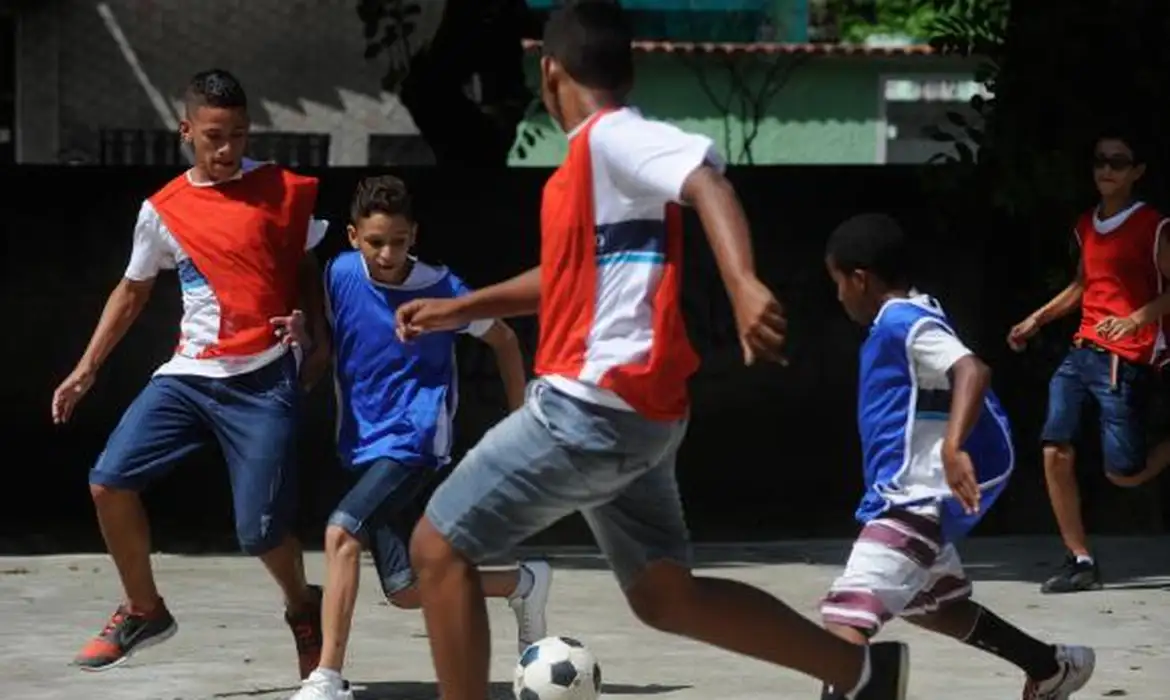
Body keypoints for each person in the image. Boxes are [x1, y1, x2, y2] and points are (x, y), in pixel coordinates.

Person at [394, 3, 911, 699]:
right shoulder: (589, 170)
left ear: (550, 73)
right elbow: (564, 279)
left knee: (436, 547)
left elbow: (707, 180)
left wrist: (744, 283)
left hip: (588, 412)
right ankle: (857, 672)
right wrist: (462, 308)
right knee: (664, 596)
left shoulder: (612, 139)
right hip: (641, 422)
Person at [51, 69, 329, 677]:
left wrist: (319, 339)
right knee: (108, 482)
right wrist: (86, 368)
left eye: (238, 134)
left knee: (259, 532)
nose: (227, 148)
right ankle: (144, 608)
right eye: (213, 136)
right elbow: (131, 292)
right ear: (186, 132)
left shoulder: (284, 190)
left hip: (262, 378)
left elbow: (305, 268)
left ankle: (303, 606)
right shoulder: (163, 211)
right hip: (188, 376)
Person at [277, 176, 554, 700]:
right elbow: (331, 340)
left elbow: (505, 341)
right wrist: (302, 334)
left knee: (341, 533)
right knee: (404, 588)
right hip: (360, 444)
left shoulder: (444, 288)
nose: (387, 253)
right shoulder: (339, 275)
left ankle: (326, 679)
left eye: (399, 241)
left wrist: (520, 419)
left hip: (416, 438)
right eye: (377, 241)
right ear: (355, 236)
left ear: (414, 236)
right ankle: (522, 583)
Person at [820, 213, 1095, 700]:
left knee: (845, 621)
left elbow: (971, 369)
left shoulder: (902, 321)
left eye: (837, 282)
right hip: (921, 499)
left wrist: (951, 446)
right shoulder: (915, 313)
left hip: (911, 502)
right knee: (933, 606)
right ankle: (1050, 667)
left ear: (860, 279)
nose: (838, 295)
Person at [1007, 131, 1170, 594]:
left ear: (1137, 172)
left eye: (1118, 162)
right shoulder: (1084, 225)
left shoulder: (1154, 226)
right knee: (1053, 448)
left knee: (1124, 471)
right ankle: (1080, 559)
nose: (1107, 169)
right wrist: (1037, 319)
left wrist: (1136, 319)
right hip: (1082, 351)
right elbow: (1084, 284)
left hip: (1126, 357)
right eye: (1100, 160)